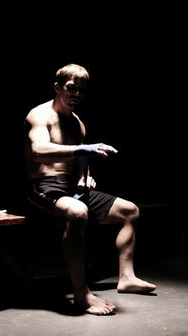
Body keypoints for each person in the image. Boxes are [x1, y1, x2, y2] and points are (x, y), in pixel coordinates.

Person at [23, 63, 156, 315]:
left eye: (82, 91)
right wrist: (84, 150)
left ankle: (127, 278)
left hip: (70, 188)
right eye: (72, 88)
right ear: (57, 87)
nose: (77, 95)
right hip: (42, 187)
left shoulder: (77, 123)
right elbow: (39, 152)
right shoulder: (39, 115)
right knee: (78, 212)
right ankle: (81, 293)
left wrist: (86, 177)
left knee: (130, 211)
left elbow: (82, 159)